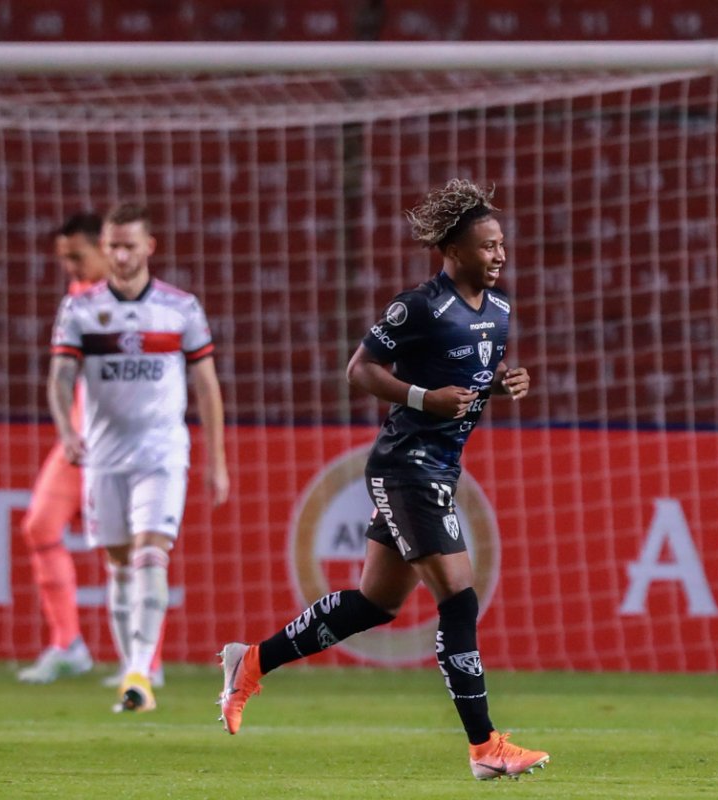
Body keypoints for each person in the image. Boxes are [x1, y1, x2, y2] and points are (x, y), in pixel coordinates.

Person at [216, 179, 549, 780]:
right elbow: (360, 369)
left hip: (441, 468)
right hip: (406, 467)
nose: (500, 256)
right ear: (453, 251)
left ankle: (252, 662)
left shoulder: (498, 312)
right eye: (488, 246)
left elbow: (470, 374)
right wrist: (423, 396)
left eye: (502, 245)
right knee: (459, 598)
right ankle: (484, 747)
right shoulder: (419, 305)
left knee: (376, 603)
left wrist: (501, 383)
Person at [48, 202, 230, 712]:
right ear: (104, 250)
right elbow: (60, 379)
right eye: (112, 246)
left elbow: (207, 385)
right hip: (104, 457)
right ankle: (134, 665)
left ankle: (139, 674)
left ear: (149, 247)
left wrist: (217, 460)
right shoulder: (80, 311)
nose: (121, 255)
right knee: (119, 564)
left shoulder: (180, 308)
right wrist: (66, 430)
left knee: (152, 554)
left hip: (162, 453)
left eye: (130, 245)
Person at [16, 213, 109, 684]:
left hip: (119, 444)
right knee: (38, 526)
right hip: (77, 440)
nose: (70, 267)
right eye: (63, 259)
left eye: (77, 256)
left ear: (106, 249)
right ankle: (68, 643)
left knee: (131, 548)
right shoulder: (77, 299)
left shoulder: (141, 303)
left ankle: (145, 664)